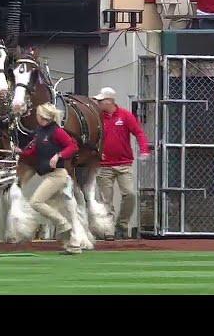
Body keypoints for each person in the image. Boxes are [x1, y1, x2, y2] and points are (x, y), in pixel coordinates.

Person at [17, 103, 81, 255]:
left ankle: (63, 224)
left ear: (42, 116)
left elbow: (73, 147)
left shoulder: (56, 131)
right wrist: (20, 152)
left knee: (36, 202)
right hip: (49, 175)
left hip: (57, 175)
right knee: (64, 208)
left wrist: (59, 155)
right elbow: (33, 151)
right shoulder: (40, 132)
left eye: (37, 115)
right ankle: (73, 245)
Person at [93, 87, 150, 241]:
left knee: (130, 194)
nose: (98, 103)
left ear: (109, 101)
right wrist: (97, 153)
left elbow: (138, 132)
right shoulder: (97, 117)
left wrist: (144, 150)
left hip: (124, 164)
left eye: (100, 100)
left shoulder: (125, 115)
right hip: (104, 166)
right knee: (106, 199)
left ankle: (122, 225)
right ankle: (109, 229)